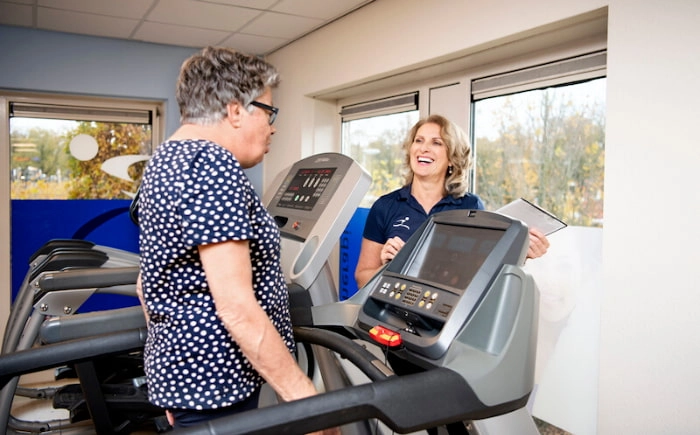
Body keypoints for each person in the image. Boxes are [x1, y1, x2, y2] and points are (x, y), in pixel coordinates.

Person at [137, 46, 336, 433]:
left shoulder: (165, 160)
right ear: (234, 110)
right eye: (269, 112)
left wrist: (176, 375)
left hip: (192, 382)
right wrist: (310, 405)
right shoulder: (211, 165)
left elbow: (147, 284)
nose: (273, 126)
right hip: (214, 386)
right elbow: (236, 307)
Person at [355, 113, 550, 288]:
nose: (424, 148)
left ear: (452, 158)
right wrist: (389, 269)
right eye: (418, 140)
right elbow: (362, 278)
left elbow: (482, 274)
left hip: (446, 318)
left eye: (436, 143)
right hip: (390, 313)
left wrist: (519, 252)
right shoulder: (385, 206)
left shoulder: (470, 206)